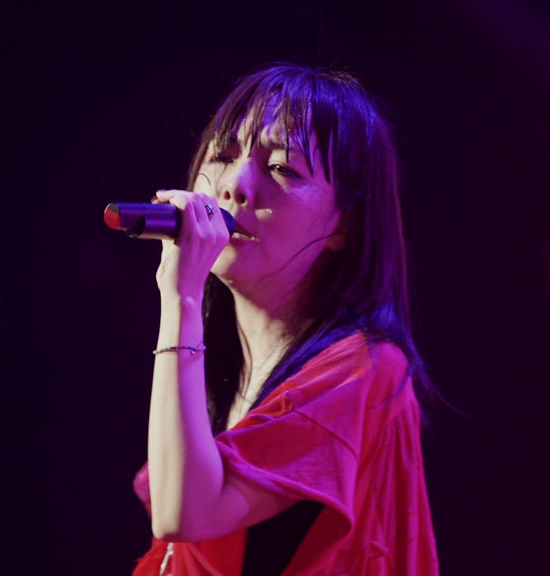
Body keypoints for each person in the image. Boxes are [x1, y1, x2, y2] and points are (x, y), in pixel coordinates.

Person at [132, 64, 441, 575]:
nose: (235, 186)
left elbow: (183, 512)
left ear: (344, 224)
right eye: (223, 155)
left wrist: (182, 294)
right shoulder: (215, 372)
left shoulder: (363, 370)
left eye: (282, 168)